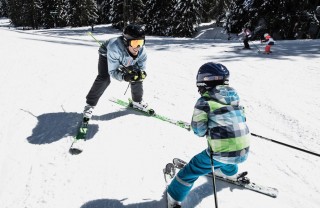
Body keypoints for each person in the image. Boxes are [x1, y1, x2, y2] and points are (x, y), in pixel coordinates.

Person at [166, 62, 250, 207]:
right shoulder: (235, 99)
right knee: (227, 155)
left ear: (204, 82)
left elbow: (199, 130)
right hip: (243, 151)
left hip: (220, 153)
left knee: (193, 168)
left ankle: (174, 196)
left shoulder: (205, 101)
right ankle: (232, 173)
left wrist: (206, 129)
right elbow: (241, 118)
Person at [82, 24, 149, 122]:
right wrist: (124, 77)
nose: (138, 47)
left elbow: (141, 68)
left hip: (124, 56)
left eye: (141, 42)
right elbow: (113, 71)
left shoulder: (142, 50)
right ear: (126, 41)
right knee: (104, 78)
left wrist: (139, 73)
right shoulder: (114, 48)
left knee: (136, 76)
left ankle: (137, 101)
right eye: (135, 43)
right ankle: (90, 105)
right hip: (106, 54)